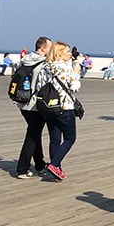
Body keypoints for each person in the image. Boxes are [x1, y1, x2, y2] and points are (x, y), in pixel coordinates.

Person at [40, 41, 80, 181]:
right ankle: (54, 165)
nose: (70, 54)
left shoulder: (45, 67)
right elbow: (74, 86)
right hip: (65, 106)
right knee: (70, 138)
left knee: (55, 139)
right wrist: (76, 72)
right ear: (59, 53)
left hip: (49, 107)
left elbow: (40, 85)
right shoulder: (64, 68)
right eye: (67, 51)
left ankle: (57, 170)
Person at [14, 36, 52, 179]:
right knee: (32, 135)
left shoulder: (25, 59)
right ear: (43, 48)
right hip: (35, 104)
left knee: (35, 133)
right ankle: (22, 169)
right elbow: (43, 85)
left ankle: (40, 165)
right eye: (49, 47)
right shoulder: (43, 64)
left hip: (22, 102)